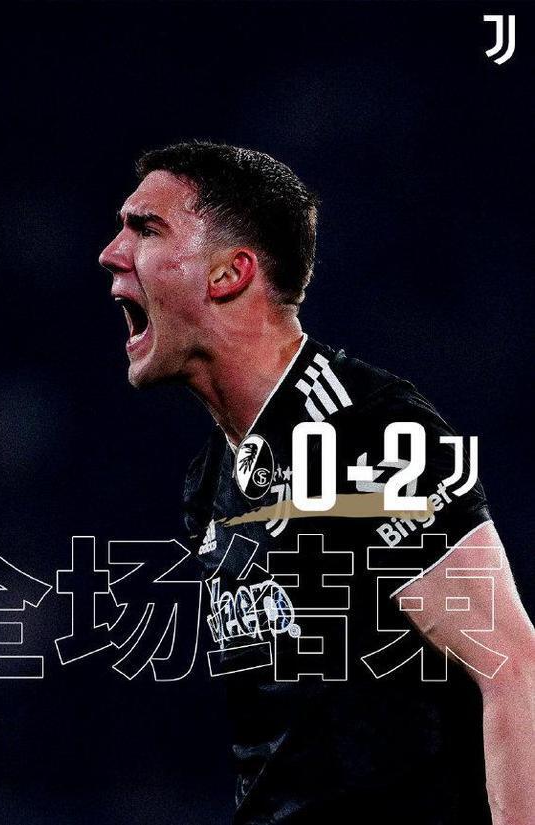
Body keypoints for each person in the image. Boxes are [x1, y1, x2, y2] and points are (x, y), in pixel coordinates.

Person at [98, 141, 534, 824]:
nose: (111, 252)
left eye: (146, 228)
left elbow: (513, 671)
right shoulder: (209, 478)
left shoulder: (365, 433)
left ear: (229, 273)